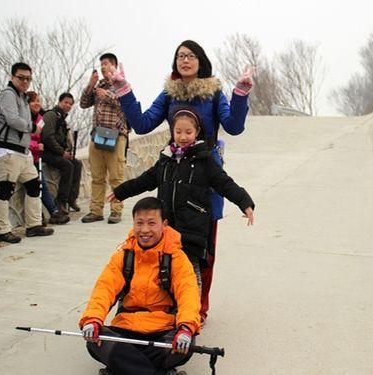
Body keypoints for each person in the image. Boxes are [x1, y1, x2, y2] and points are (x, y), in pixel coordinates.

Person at [110, 40, 254, 321]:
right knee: (167, 246)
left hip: (205, 174)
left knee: (202, 248)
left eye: (190, 56)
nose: (185, 60)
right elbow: (142, 124)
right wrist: (124, 91)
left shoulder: (213, 93)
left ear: (201, 61)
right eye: (180, 56)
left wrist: (241, 94)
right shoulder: (169, 93)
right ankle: (170, 303)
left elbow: (234, 127)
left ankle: (197, 308)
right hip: (175, 177)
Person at [108, 106, 254, 294]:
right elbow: (145, 180)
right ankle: (171, 312)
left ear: (197, 132)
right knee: (166, 271)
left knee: (190, 274)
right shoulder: (166, 159)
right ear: (172, 132)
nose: (183, 136)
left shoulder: (205, 160)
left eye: (188, 132)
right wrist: (121, 192)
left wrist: (245, 203)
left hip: (193, 229)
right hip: (167, 229)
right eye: (178, 131)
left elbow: (224, 183)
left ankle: (191, 314)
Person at [79, 197, 200, 375]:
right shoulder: (123, 256)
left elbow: (188, 294)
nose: (144, 230)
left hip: (162, 331)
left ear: (164, 224)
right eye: (139, 223)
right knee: (95, 341)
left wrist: (186, 328)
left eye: (152, 223)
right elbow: (104, 289)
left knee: (185, 345)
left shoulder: (177, 258)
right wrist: (92, 319)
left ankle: (122, 367)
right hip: (125, 328)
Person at [0, 62, 54, 243]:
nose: (25, 81)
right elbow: (12, 119)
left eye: (28, 78)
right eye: (21, 78)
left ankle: (34, 225)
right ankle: (1, 230)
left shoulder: (22, 97)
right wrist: (33, 127)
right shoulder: (8, 94)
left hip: (23, 151)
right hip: (7, 149)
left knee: (34, 186)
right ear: (13, 77)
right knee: (4, 190)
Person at [79, 53, 129, 224]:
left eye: (106, 64)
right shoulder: (98, 86)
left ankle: (116, 211)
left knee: (116, 177)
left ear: (114, 65)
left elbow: (126, 104)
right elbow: (83, 103)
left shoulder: (122, 84)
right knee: (97, 177)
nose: (103, 67)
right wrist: (90, 85)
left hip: (116, 135)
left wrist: (106, 95)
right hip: (98, 136)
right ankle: (96, 211)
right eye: (101, 64)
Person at [28, 91, 69, 225]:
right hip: (26, 155)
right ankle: (40, 217)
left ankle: (54, 212)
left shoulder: (40, 119)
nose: (37, 103)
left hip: (35, 158)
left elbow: (42, 138)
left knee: (42, 186)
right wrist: (35, 146)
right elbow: (21, 138)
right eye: (33, 101)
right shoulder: (25, 119)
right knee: (35, 187)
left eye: (38, 100)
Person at [41, 92, 82, 215]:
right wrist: (61, 152)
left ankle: (72, 198)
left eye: (70, 104)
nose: (68, 105)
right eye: (66, 102)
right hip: (47, 152)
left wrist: (67, 152)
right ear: (59, 102)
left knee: (77, 164)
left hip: (58, 152)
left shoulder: (62, 118)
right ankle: (61, 202)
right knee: (67, 165)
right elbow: (47, 137)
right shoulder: (51, 115)